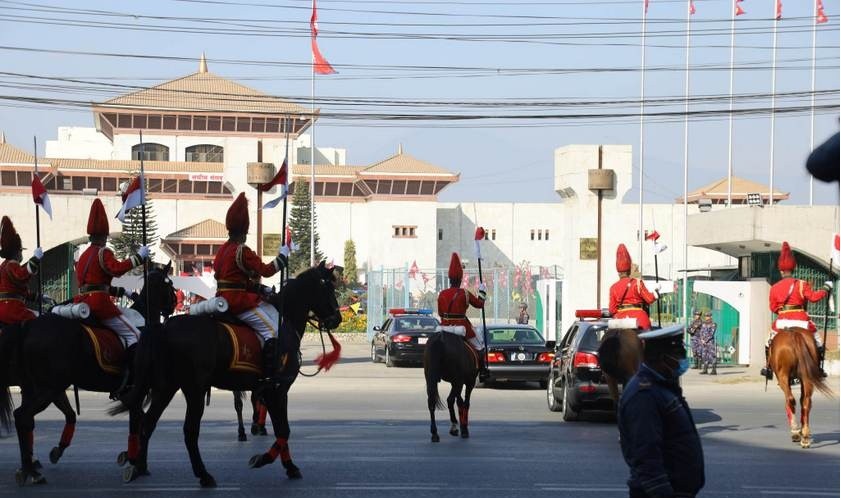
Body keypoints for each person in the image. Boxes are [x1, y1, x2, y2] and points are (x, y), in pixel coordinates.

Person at [619, 324, 705, 498]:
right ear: (661, 358)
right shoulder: (644, 394)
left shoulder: (662, 385)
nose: (682, 361)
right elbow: (646, 455)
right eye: (678, 356)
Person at [74, 198, 148, 396]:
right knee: (134, 335)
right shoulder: (103, 252)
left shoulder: (83, 255)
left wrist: (120, 292)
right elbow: (115, 269)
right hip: (99, 305)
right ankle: (129, 380)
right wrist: (139, 258)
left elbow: (95, 282)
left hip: (83, 301)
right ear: (104, 235)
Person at [213, 192, 290, 381]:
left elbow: (229, 277)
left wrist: (258, 289)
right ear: (244, 231)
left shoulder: (222, 250)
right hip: (239, 302)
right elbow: (266, 271)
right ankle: (269, 374)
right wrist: (283, 256)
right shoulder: (242, 250)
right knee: (272, 329)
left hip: (221, 299)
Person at [761, 241, 832, 380]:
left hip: (782, 321)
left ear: (781, 270)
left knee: (768, 341)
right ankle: (819, 368)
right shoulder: (801, 284)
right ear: (794, 269)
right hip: (802, 321)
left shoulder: (775, 287)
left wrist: (782, 312)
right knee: (818, 341)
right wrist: (825, 288)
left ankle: (768, 367)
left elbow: (773, 307)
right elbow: (813, 298)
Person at [437, 252, 487, 371]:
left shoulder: (442, 294)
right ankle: (482, 370)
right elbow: (480, 305)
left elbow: (440, 313)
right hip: (463, 328)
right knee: (480, 347)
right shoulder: (464, 293)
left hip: (444, 327)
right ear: (460, 279)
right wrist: (482, 292)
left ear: (449, 279)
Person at [0, 216, 43, 325]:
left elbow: (18, 290)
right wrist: (35, 259)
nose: (21, 254)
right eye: (21, 250)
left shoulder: (3, 266)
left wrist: (38, 297)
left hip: (3, 308)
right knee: (40, 321)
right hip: (12, 309)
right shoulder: (12, 264)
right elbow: (21, 276)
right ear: (17, 252)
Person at [609, 244, 658, 331]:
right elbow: (649, 299)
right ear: (629, 269)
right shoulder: (637, 283)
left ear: (618, 272)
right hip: (639, 318)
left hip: (620, 320)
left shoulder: (613, 288)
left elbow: (612, 310)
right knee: (649, 339)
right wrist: (656, 292)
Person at [698, 311, 718, 375]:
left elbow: (711, 334)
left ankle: (714, 370)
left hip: (710, 342)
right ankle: (705, 369)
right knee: (704, 356)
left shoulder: (713, 324)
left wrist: (705, 340)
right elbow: (701, 332)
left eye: (708, 316)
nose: (707, 317)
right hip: (703, 343)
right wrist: (701, 339)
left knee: (712, 356)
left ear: (711, 316)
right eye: (706, 316)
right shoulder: (703, 324)